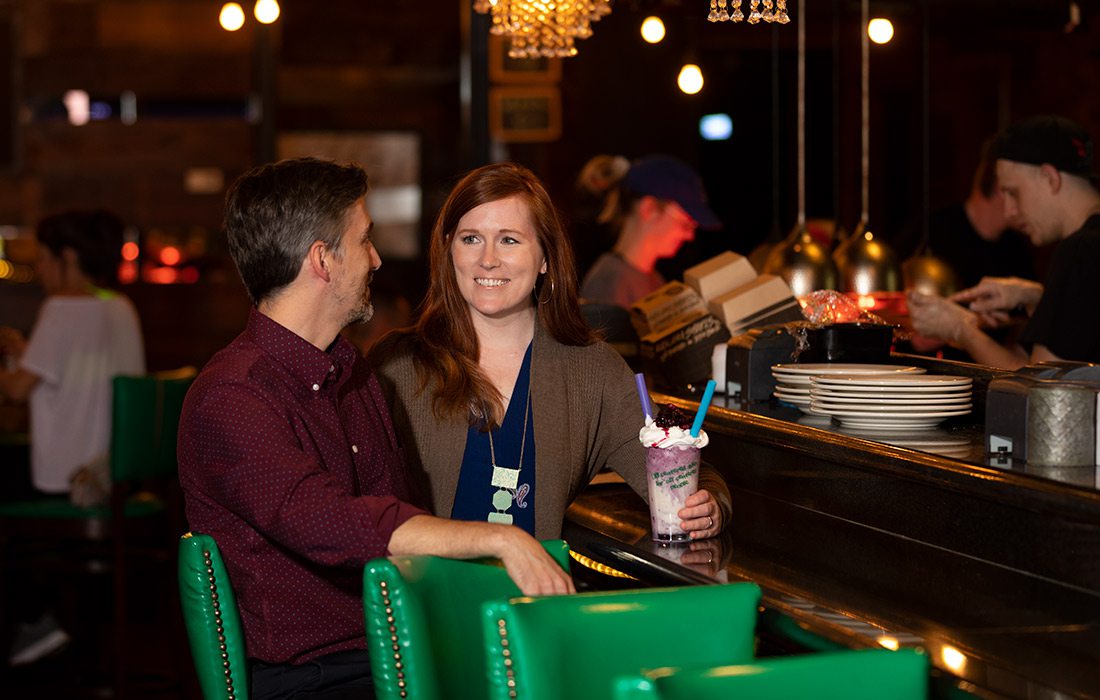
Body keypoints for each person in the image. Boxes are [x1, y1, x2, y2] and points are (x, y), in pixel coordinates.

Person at [177, 157, 573, 700]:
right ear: (322, 260)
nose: (376, 259)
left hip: (401, 645)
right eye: (364, 241)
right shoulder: (232, 396)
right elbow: (327, 521)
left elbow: (395, 513)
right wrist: (501, 539)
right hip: (318, 677)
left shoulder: (351, 371)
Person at [369, 162, 730, 542]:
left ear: (545, 258)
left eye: (509, 240)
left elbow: (686, 470)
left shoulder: (592, 371)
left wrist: (709, 507)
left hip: (535, 597)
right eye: (471, 238)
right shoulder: (396, 365)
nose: (487, 259)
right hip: (426, 596)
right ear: (448, 250)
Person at [0, 209, 144, 666]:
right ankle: (57, 627)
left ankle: (34, 620)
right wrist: (29, 355)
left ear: (68, 257)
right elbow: (79, 373)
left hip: (69, 480)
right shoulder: (120, 306)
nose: (40, 269)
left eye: (44, 259)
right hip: (115, 476)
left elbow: (17, 391)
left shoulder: (60, 309)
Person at [908, 115, 1100, 368]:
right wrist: (1035, 298)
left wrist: (960, 330)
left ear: (1050, 178)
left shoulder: (1080, 250)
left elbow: (1042, 390)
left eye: (1012, 192)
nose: (1009, 211)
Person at [578, 154, 722, 309]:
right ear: (649, 209)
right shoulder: (608, 285)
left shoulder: (653, 278)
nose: (690, 236)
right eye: (686, 223)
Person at [899, 138, 1037, 291]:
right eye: (1030, 191)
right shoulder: (930, 234)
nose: (1037, 203)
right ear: (1002, 188)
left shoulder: (1017, 250)